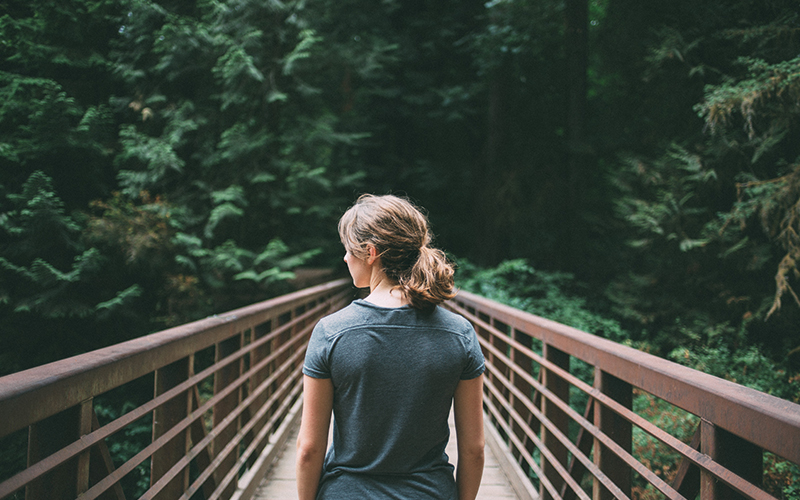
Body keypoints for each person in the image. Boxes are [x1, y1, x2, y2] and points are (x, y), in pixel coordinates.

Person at [296, 194, 486, 500]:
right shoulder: (459, 334)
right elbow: (474, 449)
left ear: (370, 252)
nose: (345, 258)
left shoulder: (331, 332)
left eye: (348, 250)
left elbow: (309, 449)